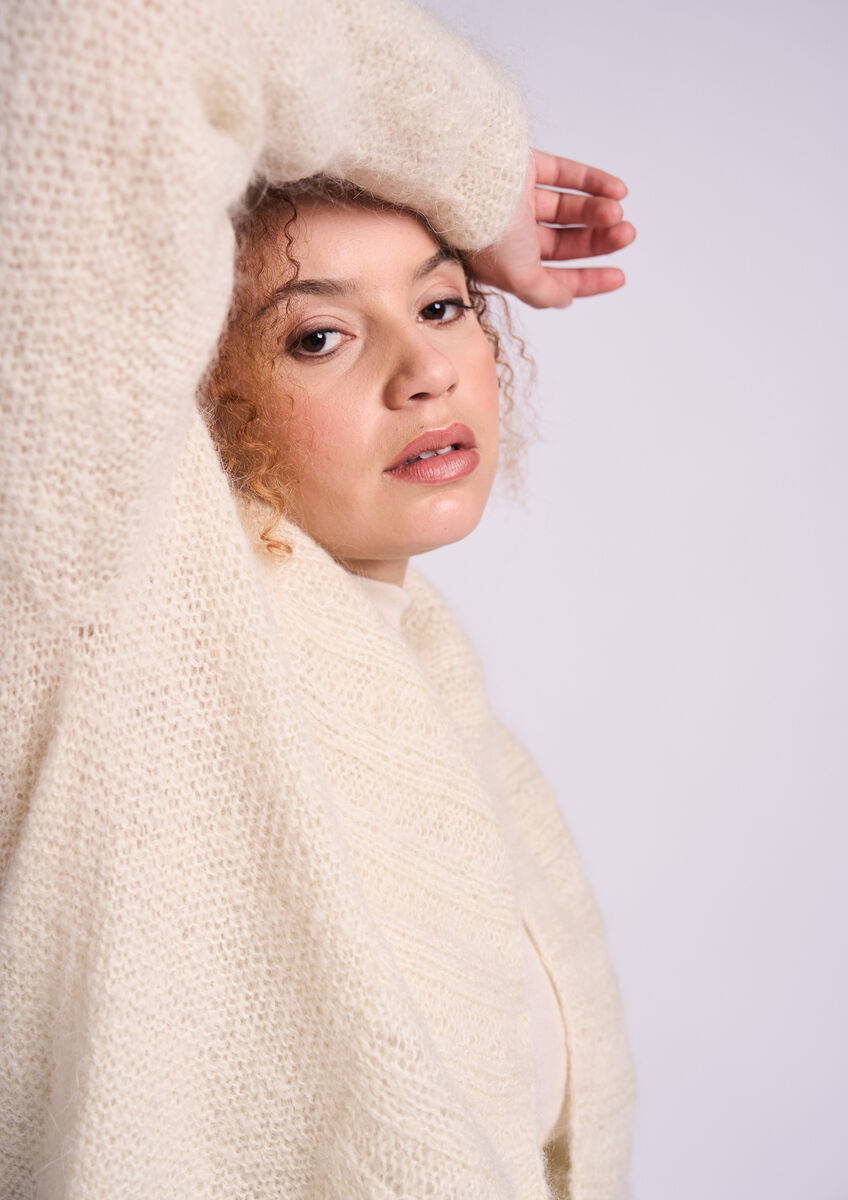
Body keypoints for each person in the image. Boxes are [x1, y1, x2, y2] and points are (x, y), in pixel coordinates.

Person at [0, 0, 635, 1197]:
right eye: (317, 337)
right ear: (182, 388)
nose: (426, 368)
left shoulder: (447, 713)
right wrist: (469, 159)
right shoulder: (95, 612)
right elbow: (115, 26)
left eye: (441, 304)